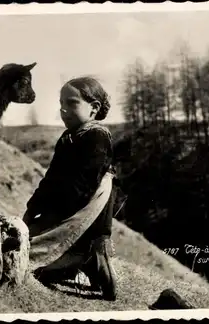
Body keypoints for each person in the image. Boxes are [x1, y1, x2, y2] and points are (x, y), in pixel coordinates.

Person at [22, 76, 125, 301]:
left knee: (38, 263)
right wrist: (32, 210)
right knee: (26, 246)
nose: (63, 110)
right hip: (66, 202)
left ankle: (92, 254)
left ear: (94, 108)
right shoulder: (67, 138)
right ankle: (81, 259)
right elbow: (50, 179)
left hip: (87, 207)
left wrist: (53, 213)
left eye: (72, 103)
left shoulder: (98, 137)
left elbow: (85, 185)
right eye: (61, 104)